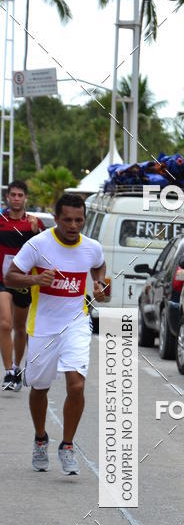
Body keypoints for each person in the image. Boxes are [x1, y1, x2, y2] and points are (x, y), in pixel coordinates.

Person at [4, 193, 107, 474]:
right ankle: (40, 438)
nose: (73, 225)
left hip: (76, 323)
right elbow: (10, 276)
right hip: (43, 327)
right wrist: (36, 278)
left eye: (79, 220)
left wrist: (98, 283)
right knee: (40, 387)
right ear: (56, 217)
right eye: (67, 220)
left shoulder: (92, 247)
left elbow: (98, 264)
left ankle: (68, 444)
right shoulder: (38, 244)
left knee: (76, 386)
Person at [0, 180, 44, 391]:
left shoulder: (33, 223)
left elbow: (43, 252)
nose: (16, 198)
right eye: (13, 195)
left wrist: (35, 232)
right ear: (7, 197)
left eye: (20, 195)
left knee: (19, 328)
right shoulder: (0, 219)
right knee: (5, 324)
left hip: (24, 281)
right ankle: (8, 372)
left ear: (26, 198)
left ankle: (17, 367)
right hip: (3, 280)